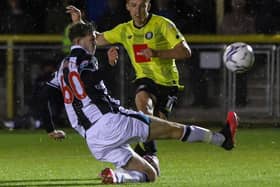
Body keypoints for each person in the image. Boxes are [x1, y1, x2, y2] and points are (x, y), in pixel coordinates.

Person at [44, 22, 238, 184]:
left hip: (93, 140)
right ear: (79, 41)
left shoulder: (63, 67)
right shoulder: (86, 58)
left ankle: (117, 176)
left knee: (150, 174)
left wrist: (49, 127)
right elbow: (88, 80)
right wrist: (109, 66)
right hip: (111, 123)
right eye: (91, 39)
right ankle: (223, 140)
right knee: (173, 129)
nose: (95, 43)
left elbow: (44, 94)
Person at [66, 0, 192, 172]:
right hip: (145, 80)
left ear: (148, 5)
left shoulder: (163, 24)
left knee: (157, 127)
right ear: (127, 6)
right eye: (133, 5)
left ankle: (140, 160)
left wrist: (156, 53)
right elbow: (98, 38)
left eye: (142, 5)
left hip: (168, 84)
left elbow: (185, 51)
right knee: (142, 101)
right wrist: (78, 22)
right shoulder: (125, 30)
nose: (138, 10)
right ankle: (151, 156)